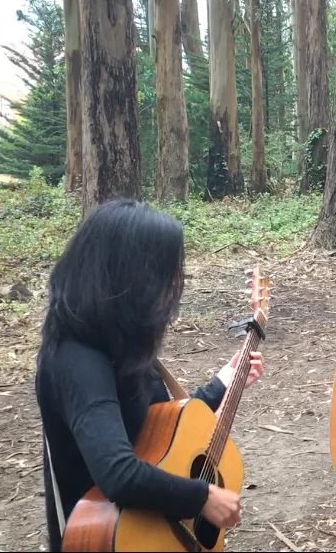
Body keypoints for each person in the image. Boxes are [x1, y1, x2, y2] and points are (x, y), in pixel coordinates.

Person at [35, 199, 265, 552]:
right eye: (163, 276)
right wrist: (202, 496)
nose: (170, 288)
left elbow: (158, 436)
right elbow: (119, 475)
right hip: (109, 537)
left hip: (149, 525)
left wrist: (221, 385)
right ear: (129, 279)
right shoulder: (76, 360)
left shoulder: (118, 344)